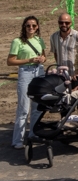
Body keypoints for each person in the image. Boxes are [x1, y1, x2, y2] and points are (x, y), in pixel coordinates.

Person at [9, 16, 48, 149]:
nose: (31, 28)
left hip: (39, 71)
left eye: (34, 26)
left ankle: (32, 134)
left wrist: (42, 59)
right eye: (28, 26)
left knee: (37, 107)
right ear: (24, 27)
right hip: (25, 72)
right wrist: (29, 60)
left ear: (37, 27)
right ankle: (18, 140)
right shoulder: (17, 41)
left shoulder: (39, 40)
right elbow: (10, 61)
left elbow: (44, 56)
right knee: (23, 107)